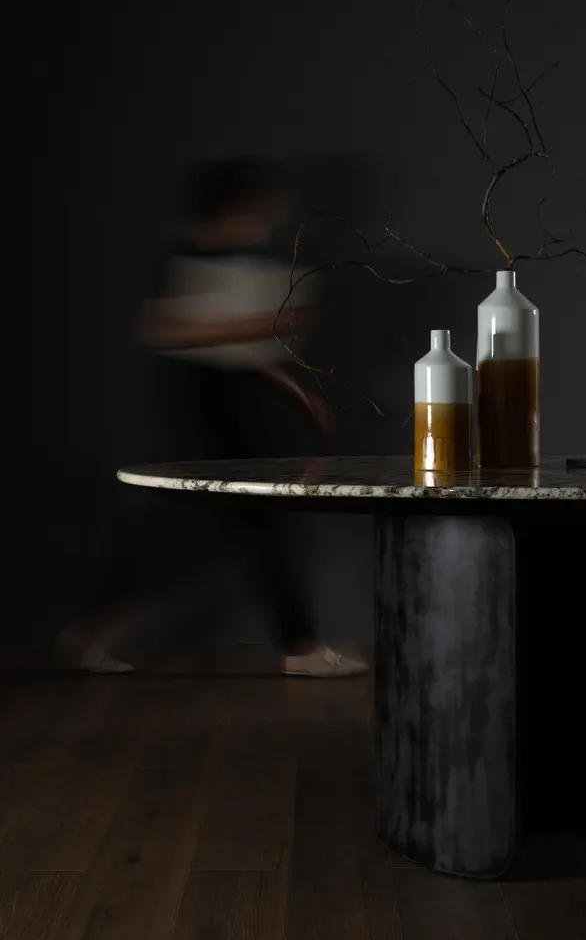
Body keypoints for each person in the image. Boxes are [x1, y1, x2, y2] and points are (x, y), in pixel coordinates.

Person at [58, 157, 367, 678]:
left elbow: (242, 352)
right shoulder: (186, 254)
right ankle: (298, 647)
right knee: (244, 525)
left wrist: (295, 390)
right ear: (236, 205)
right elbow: (163, 330)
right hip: (208, 410)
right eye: (263, 205)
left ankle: (94, 626)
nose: (273, 215)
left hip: (239, 407)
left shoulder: (236, 259)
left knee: (239, 526)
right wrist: (263, 324)